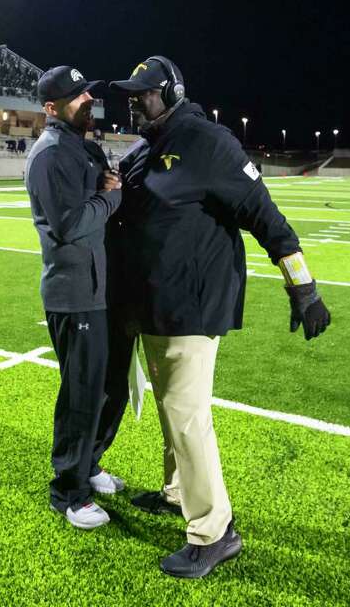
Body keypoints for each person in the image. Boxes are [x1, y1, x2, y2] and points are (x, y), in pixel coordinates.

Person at [105, 56, 332, 578]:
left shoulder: (209, 142)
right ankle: (178, 491)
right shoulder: (146, 150)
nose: (135, 101)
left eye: (144, 93)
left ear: (173, 93)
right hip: (154, 305)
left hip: (192, 304)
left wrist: (304, 286)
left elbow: (266, 216)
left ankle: (214, 531)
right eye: (131, 93)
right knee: (170, 410)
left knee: (186, 417)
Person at [23, 65, 124, 531]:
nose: (88, 100)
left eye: (87, 92)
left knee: (105, 387)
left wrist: (104, 192)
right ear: (51, 107)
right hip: (72, 293)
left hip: (96, 287)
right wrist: (110, 200)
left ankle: (88, 463)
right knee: (81, 393)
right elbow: (69, 225)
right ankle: (68, 491)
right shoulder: (48, 155)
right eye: (78, 96)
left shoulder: (82, 146)